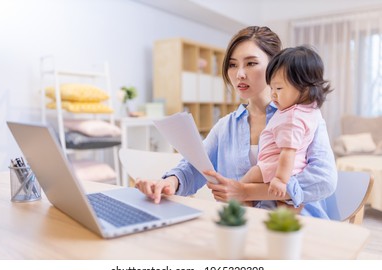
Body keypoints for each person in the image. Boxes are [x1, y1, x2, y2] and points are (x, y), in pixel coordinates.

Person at [135, 26, 337, 219]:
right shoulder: (225, 126)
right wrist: (169, 183)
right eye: (232, 65)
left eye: (251, 63)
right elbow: (195, 167)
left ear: (275, 65)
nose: (239, 74)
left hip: (296, 227)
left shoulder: (304, 115)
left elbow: (324, 180)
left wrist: (245, 192)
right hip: (242, 226)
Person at [239, 46, 332, 199]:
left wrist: (281, 180)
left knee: (243, 185)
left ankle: (243, 211)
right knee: (286, 203)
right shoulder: (310, 110)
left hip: (273, 167)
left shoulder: (292, 118)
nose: (273, 94)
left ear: (305, 89)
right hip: (296, 167)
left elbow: (288, 151)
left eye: (279, 88)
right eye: (272, 87)